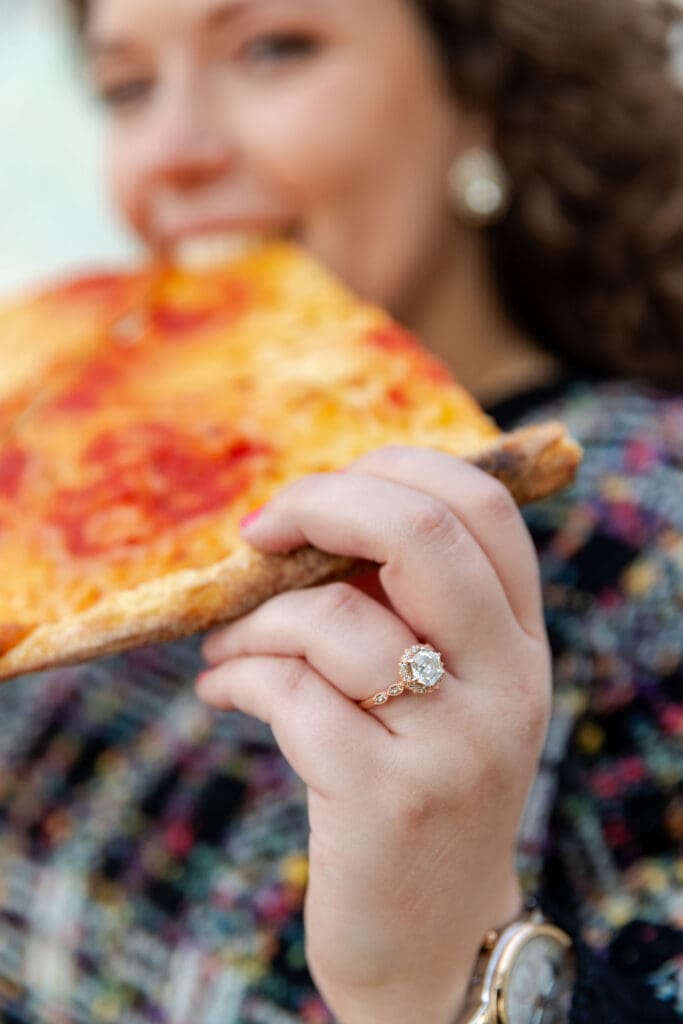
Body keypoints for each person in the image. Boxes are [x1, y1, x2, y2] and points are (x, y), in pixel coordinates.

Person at [0, 0, 682, 1021]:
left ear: (482, 84)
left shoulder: (647, 529)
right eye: (128, 87)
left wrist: (444, 972)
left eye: (271, 48)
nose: (169, 154)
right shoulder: (75, 494)